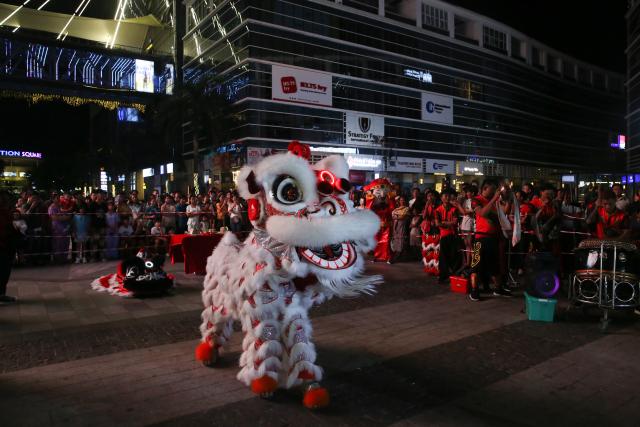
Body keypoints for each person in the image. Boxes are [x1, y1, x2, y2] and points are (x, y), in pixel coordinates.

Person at [468, 179, 512, 301]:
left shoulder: (496, 200)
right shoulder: (476, 200)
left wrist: (508, 198)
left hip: (493, 238)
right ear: (484, 189)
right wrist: (494, 199)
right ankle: (474, 290)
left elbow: (505, 211)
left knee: (495, 266)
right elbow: (482, 213)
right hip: (480, 238)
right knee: (475, 265)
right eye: (491, 191)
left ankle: (498, 288)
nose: (493, 193)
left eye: (495, 191)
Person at [436, 189, 460, 284]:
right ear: (441, 198)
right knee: (443, 257)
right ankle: (443, 276)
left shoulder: (454, 209)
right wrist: (448, 224)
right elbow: (438, 224)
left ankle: (452, 275)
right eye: (445, 196)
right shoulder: (438, 210)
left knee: (454, 255)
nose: (447, 198)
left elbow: (455, 222)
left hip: (453, 235)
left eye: (448, 196)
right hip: (444, 235)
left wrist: (444, 223)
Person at [0, 192, 18, 302]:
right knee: (3, 271)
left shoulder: (6, 212)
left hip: (6, 246)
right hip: (3, 246)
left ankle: (2, 293)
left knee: (4, 271)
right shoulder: (3, 213)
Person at [458, 185, 477, 268]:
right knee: (466, 245)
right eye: (466, 192)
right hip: (464, 225)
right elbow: (462, 212)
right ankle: (468, 263)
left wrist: (459, 206)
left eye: (468, 192)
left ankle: (474, 263)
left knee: (471, 244)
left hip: (470, 225)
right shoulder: (465, 201)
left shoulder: (474, 201)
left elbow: (466, 212)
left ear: (473, 193)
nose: (467, 193)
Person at [390, 196, 411, 263]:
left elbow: (403, 216)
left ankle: (400, 255)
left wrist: (397, 216)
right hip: (396, 224)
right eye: (401, 200)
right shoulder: (397, 209)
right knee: (396, 239)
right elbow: (392, 215)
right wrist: (398, 216)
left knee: (401, 240)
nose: (402, 201)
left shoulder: (407, 208)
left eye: (403, 200)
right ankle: (397, 254)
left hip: (402, 224)